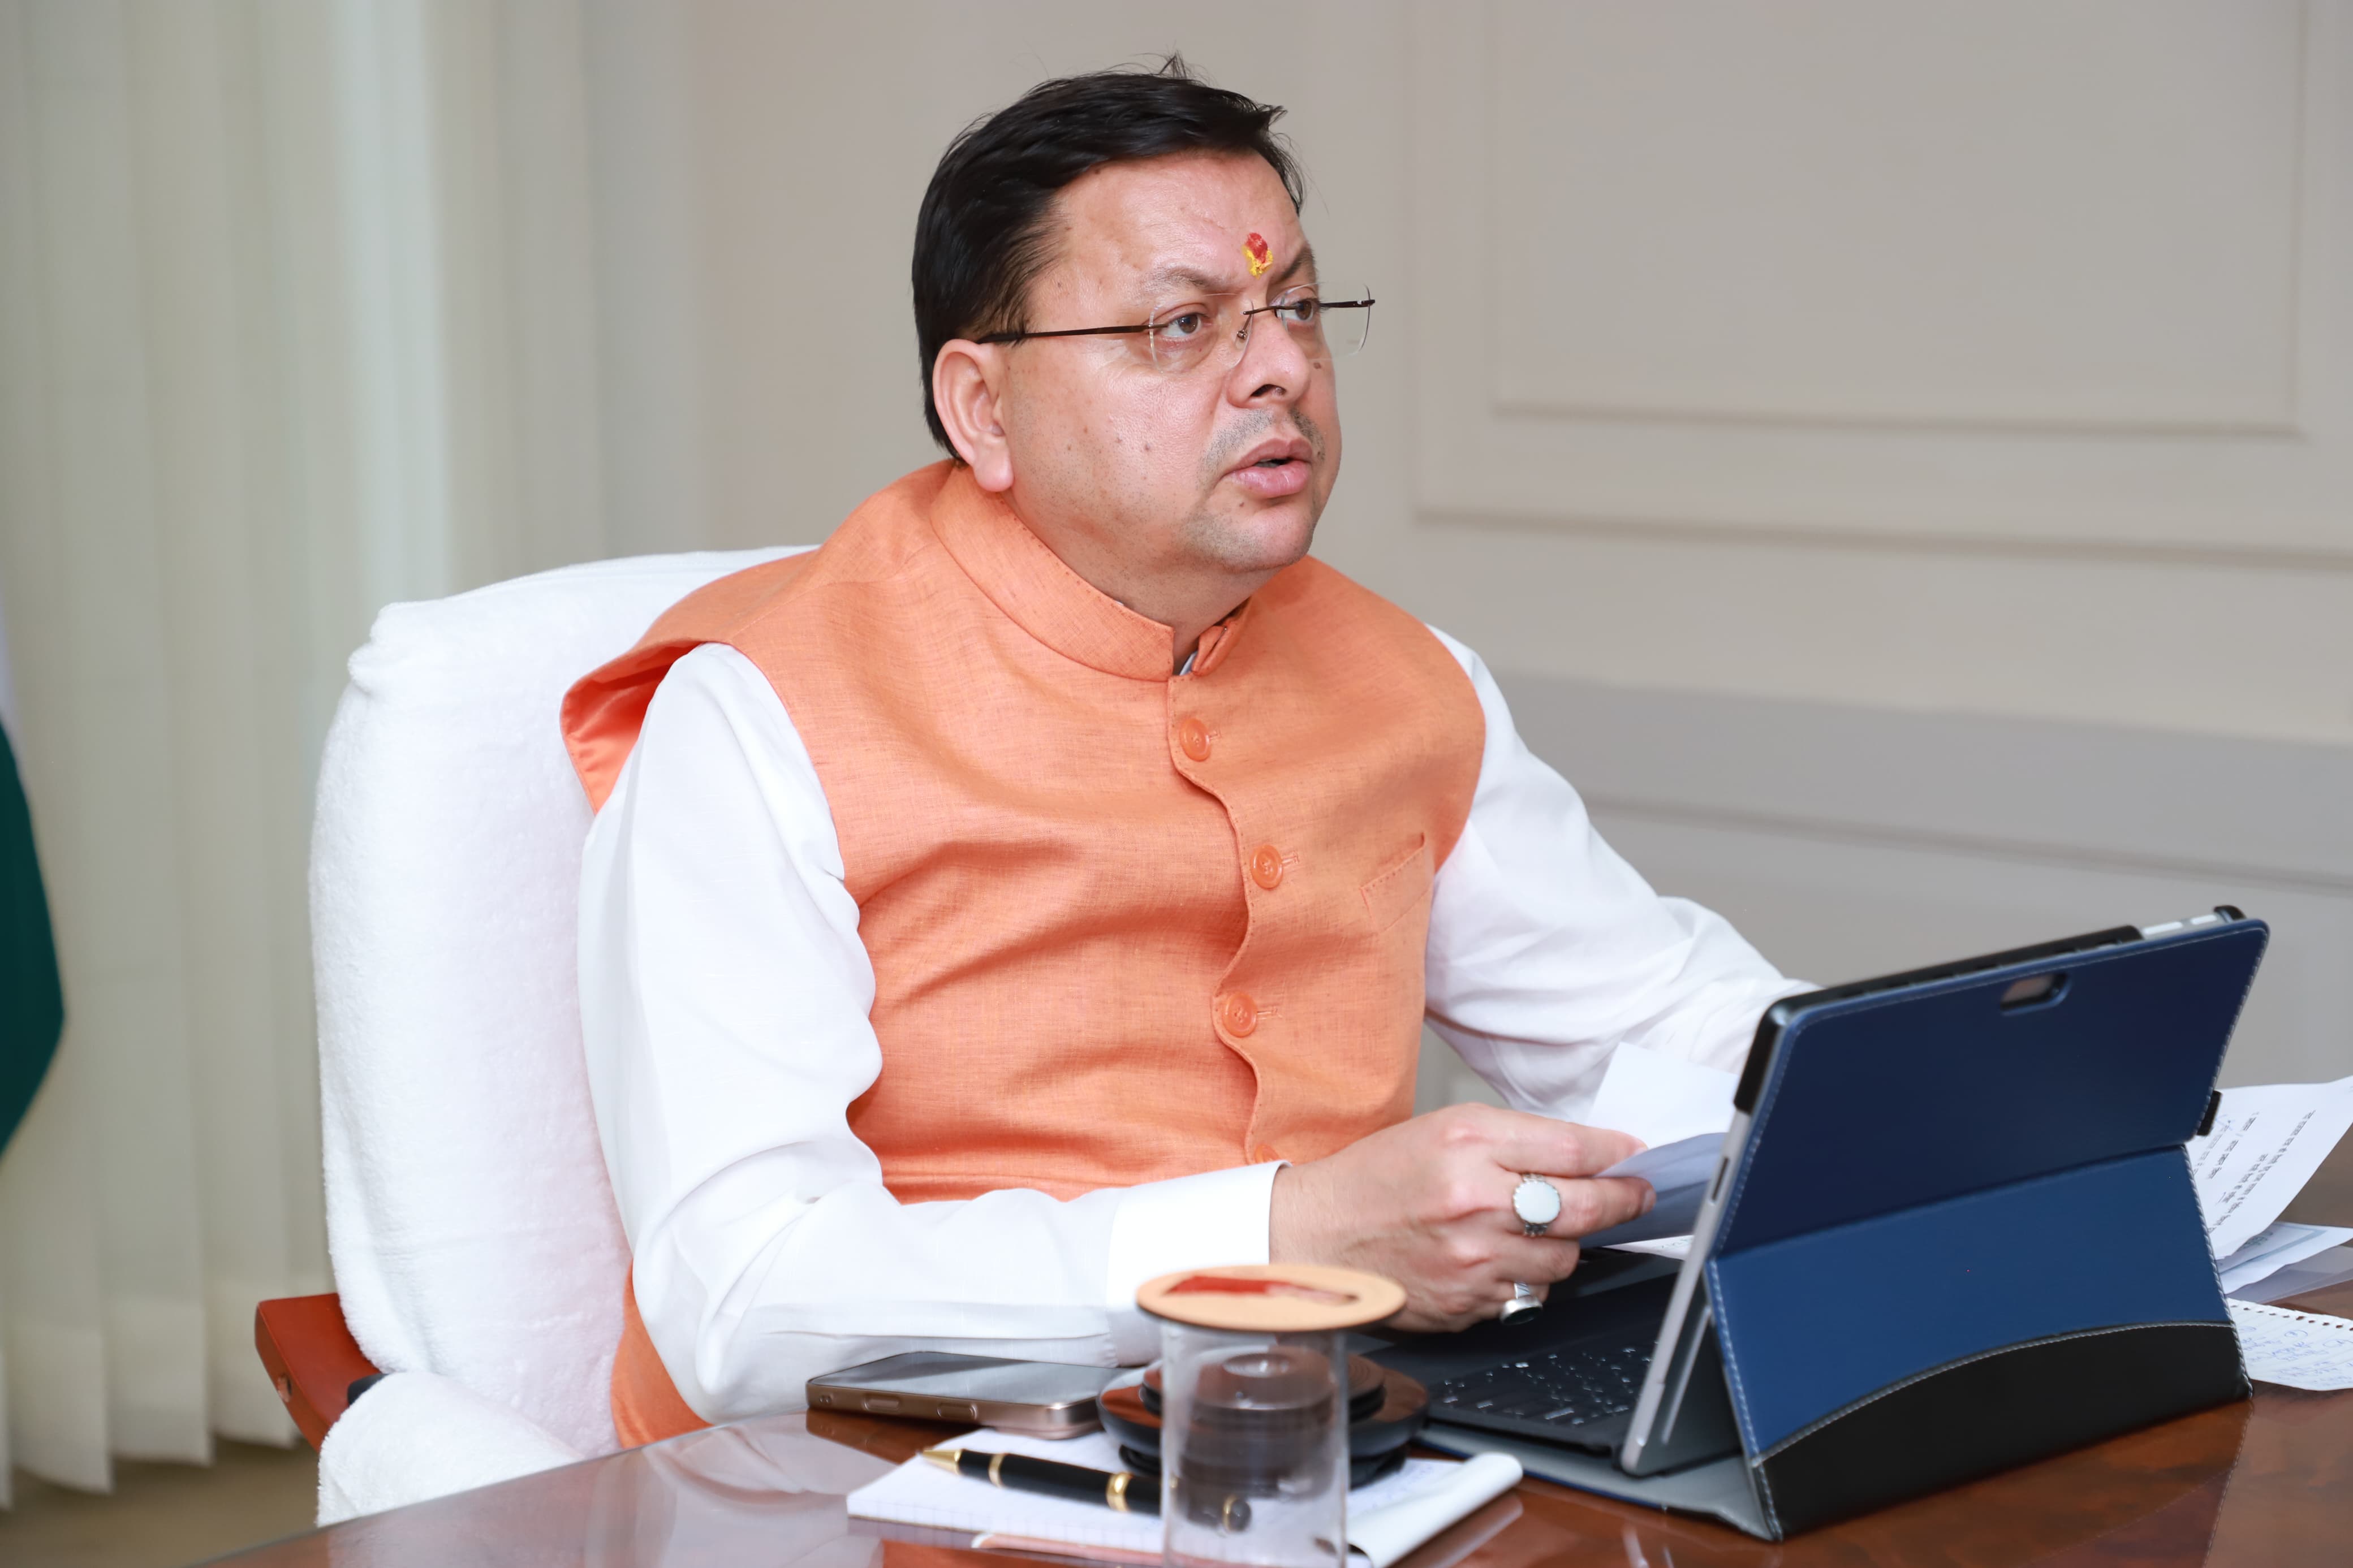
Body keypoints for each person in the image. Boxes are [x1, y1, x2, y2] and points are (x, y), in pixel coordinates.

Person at [562, 58, 1802, 1446]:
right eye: (1180, 325)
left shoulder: (1406, 680)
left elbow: (1649, 1013)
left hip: (1326, 1448)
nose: (1280, 368)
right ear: (983, 409)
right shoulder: (755, 719)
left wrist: (1891, 1085)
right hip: (864, 1487)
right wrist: (1277, 1238)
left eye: (1296, 308)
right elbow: (741, 1299)